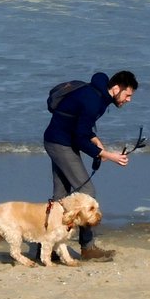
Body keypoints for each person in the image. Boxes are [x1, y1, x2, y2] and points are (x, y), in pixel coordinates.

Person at [39, 69, 138, 263]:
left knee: (61, 198)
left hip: (60, 140)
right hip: (60, 143)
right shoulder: (93, 100)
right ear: (116, 88)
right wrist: (108, 155)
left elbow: (81, 127)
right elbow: (80, 136)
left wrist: (97, 143)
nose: (128, 100)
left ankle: (47, 248)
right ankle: (88, 248)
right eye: (127, 95)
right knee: (87, 193)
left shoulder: (99, 96)